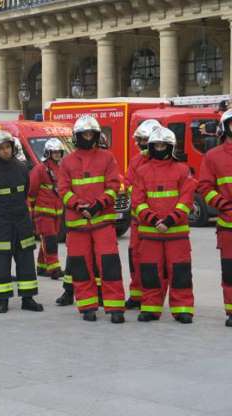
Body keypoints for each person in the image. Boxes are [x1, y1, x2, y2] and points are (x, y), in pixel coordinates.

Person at [58, 115, 125, 323]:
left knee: (109, 265)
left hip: (102, 222)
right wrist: (78, 205)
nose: (88, 137)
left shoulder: (107, 158)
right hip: (77, 225)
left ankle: (115, 308)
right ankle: (87, 307)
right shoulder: (67, 161)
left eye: (90, 134)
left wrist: (97, 206)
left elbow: (113, 186)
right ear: (77, 136)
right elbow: (63, 190)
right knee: (81, 267)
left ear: (96, 135)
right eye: (84, 134)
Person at [132, 127, 196, 323]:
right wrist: (153, 220)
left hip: (176, 233)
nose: (160, 149)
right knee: (150, 272)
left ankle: (183, 309)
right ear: (151, 147)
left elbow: (186, 200)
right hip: (150, 233)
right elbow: (137, 201)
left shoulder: (182, 170)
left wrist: (169, 221)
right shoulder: (142, 171)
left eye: (163, 145)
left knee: (180, 272)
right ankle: (150, 308)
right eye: (156, 145)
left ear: (171, 147)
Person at [0, 130, 43, 314]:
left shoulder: (22, 168)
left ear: (13, 148)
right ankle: (2, 300)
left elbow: (25, 191)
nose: (5, 151)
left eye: (8, 147)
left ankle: (28, 298)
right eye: (1, 148)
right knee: (1, 261)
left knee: (26, 260)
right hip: (1, 223)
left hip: (22, 222)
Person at [198, 109, 232, 327]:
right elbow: (205, 187)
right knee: (230, 272)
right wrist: (225, 205)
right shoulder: (213, 156)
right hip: (228, 225)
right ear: (225, 128)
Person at [124, 119, 162, 309]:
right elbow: (128, 184)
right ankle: (136, 295)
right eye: (138, 140)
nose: (139, 144)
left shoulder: (165, 161)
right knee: (135, 257)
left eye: (143, 140)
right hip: (138, 220)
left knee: (153, 262)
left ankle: (152, 298)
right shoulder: (136, 161)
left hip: (159, 222)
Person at [29, 138, 65, 280]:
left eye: (59, 152)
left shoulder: (61, 168)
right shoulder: (40, 169)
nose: (57, 154)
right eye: (54, 152)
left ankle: (42, 267)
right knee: (50, 239)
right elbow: (32, 189)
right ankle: (54, 268)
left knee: (49, 238)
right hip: (43, 211)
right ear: (48, 153)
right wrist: (32, 207)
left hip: (57, 211)